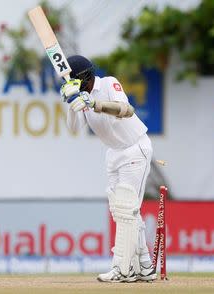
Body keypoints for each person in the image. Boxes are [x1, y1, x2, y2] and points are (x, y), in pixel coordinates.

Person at [59, 55, 156, 283]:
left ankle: (123, 268)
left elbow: (127, 110)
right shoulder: (81, 97)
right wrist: (72, 105)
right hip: (113, 153)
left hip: (135, 148)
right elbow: (74, 129)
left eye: (74, 80)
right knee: (121, 211)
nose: (71, 82)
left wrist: (94, 104)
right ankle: (144, 266)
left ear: (84, 77)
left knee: (128, 210)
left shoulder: (108, 83)